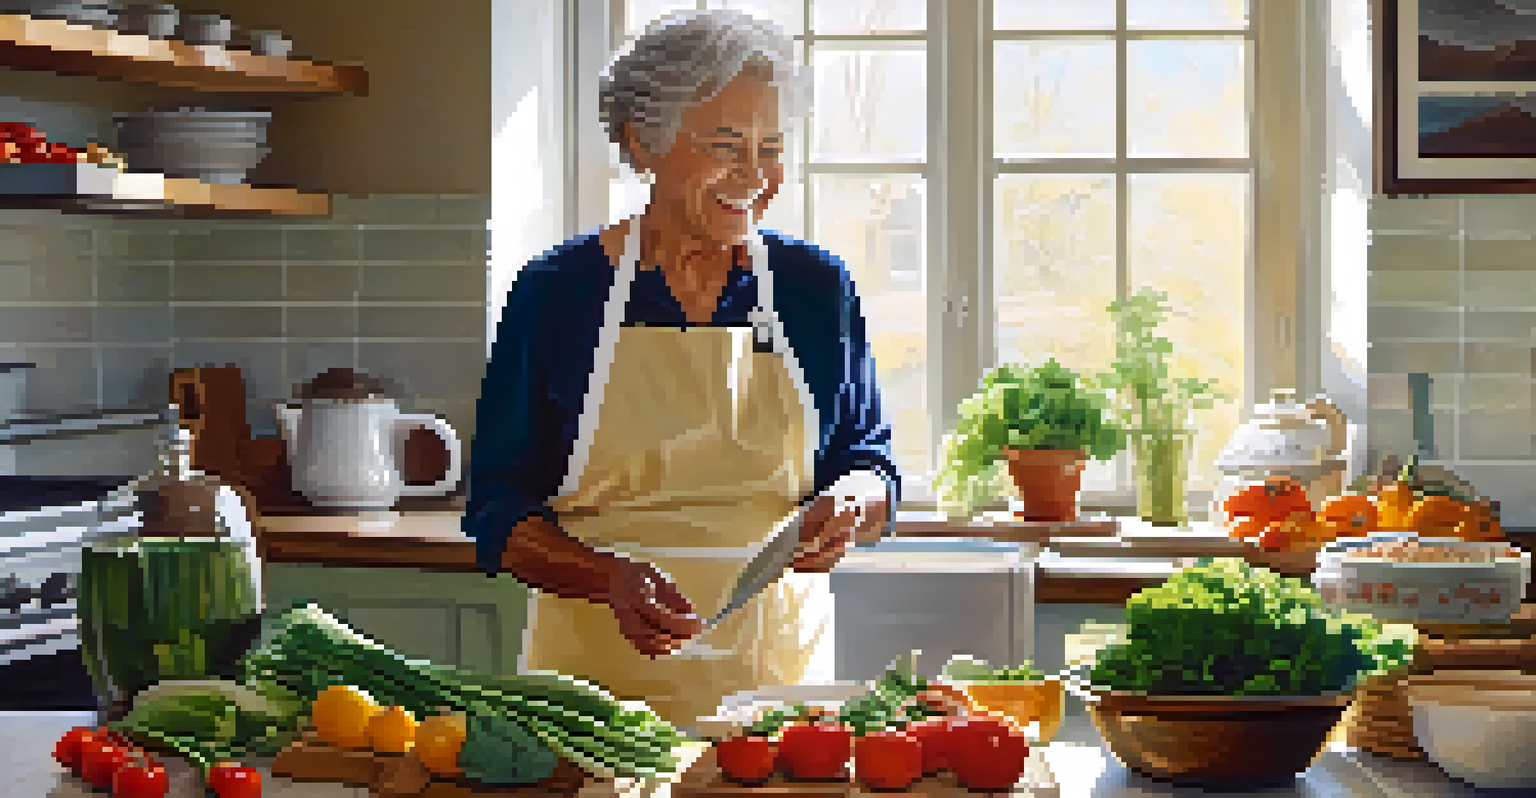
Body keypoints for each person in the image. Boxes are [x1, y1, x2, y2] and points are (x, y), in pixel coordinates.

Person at [465, 8, 901, 727]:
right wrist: (607, 579)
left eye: (772, 147)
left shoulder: (815, 289)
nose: (755, 177)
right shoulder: (557, 294)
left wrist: (854, 502)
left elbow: (868, 456)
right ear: (645, 142)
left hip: (778, 698)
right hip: (593, 705)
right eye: (726, 146)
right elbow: (498, 511)